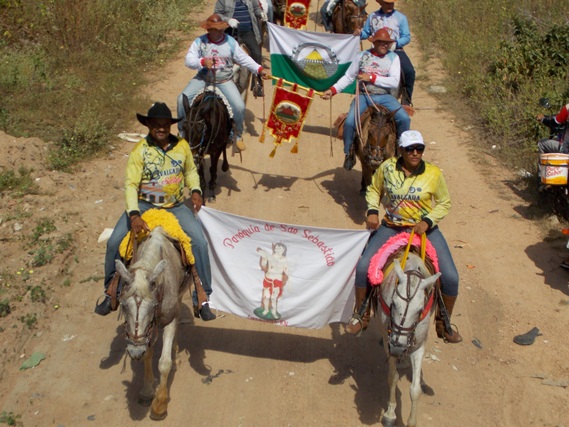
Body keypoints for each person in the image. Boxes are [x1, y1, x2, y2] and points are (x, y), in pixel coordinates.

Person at [95, 102, 216, 321]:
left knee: (199, 242)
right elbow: (131, 184)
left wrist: (196, 189)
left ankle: (203, 297)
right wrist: (133, 214)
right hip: (144, 205)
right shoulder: (140, 150)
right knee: (115, 242)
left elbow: (190, 171)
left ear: (170, 126)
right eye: (156, 125)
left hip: (175, 206)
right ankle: (110, 292)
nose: (161, 129)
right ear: (149, 125)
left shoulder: (182, 146)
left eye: (165, 125)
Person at [346, 130, 462, 343]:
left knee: (452, 277)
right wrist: (372, 210)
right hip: (392, 227)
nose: (415, 153)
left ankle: (444, 323)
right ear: (401, 150)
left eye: (419, 149)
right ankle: (361, 314)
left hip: (424, 230)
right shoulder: (387, 168)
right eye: (410, 149)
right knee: (363, 267)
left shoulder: (434, 173)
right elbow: (373, 189)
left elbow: (444, 202)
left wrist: (427, 221)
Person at [322, 28, 410, 171]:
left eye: (387, 42)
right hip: (364, 95)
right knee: (350, 122)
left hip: (385, 96)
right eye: (381, 42)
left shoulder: (394, 58)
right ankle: (349, 152)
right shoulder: (362, 56)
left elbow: (394, 81)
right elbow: (349, 76)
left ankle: (401, 150)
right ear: (374, 42)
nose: (384, 45)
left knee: (404, 118)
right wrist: (333, 91)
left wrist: (371, 77)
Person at [176, 14, 267, 152]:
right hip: (203, 79)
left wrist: (259, 69)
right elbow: (188, 60)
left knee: (239, 106)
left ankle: (237, 135)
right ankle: (182, 131)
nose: (218, 32)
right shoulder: (199, 42)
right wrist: (201, 62)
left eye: (220, 29)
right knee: (181, 99)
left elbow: (243, 59)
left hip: (224, 81)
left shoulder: (230, 42)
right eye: (215, 29)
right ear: (208, 30)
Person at [356, 0, 415, 106]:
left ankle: (406, 100)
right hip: (376, 50)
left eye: (391, 3)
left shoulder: (401, 18)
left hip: (396, 50)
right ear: (380, 3)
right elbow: (366, 32)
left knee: (409, 71)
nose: (390, 5)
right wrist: (360, 33)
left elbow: (406, 37)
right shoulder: (373, 16)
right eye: (387, 3)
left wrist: (395, 44)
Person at [214, 0, 267, 97]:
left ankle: (257, 84)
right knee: (224, 55)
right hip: (231, 31)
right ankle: (220, 79)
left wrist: (261, 14)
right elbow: (217, 14)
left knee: (257, 53)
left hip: (248, 32)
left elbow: (256, 9)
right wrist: (228, 20)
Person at [256, 243, 288, 319]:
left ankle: (274, 311)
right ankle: (266, 309)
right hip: (268, 278)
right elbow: (263, 261)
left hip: (277, 280)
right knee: (266, 296)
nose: (277, 250)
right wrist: (263, 256)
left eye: (280, 249)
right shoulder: (271, 256)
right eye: (276, 248)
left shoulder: (284, 259)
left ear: (283, 250)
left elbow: (286, 269)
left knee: (274, 297)